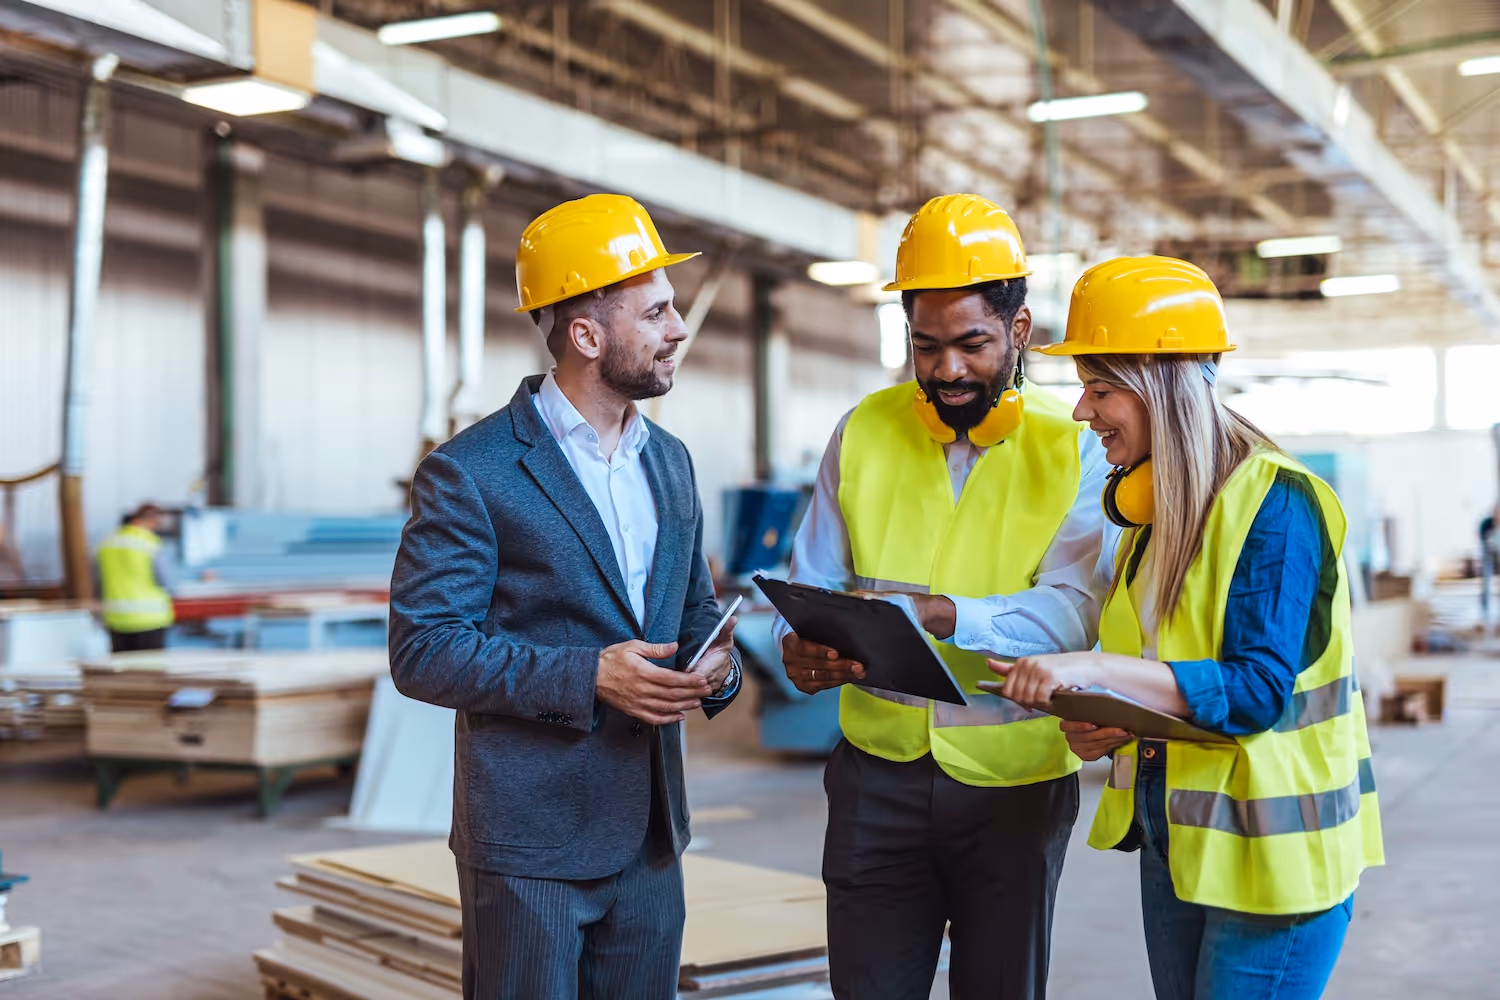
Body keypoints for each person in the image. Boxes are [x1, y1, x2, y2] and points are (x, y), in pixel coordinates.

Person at [991, 255, 1385, 1000]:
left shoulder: (1278, 504)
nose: (1082, 411)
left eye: (1100, 389)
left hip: (1276, 865)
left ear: (1160, 389)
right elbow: (1171, 676)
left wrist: (1098, 671)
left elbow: (1257, 689)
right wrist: (1110, 724)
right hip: (1182, 843)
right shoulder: (1154, 518)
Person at [388, 193, 742, 1000]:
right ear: (586, 335)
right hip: (530, 845)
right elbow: (423, 650)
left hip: (652, 834)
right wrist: (590, 675)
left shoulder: (672, 461)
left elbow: (690, 611)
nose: (679, 328)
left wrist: (715, 666)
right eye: (656, 311)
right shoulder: (471, 472)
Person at [775, 193, 1117, 1000]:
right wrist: (804, 648)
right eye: (926, 347)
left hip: (1014, 785)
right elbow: (814, 582)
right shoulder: (863, 429)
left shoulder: (1075, 444)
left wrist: (947, 614)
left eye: (971, 344)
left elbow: (1076, 609)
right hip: (875, 775)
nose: (948, 369)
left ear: (1020, 331)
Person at [97, 502, 175, 652]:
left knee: (123, 672)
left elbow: (97, 582)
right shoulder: (150, 543)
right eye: (157, 524)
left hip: (116, 619)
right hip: (150, 620)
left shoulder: (107, 542)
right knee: (150, 672)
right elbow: (167, 582)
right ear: (152, 520)